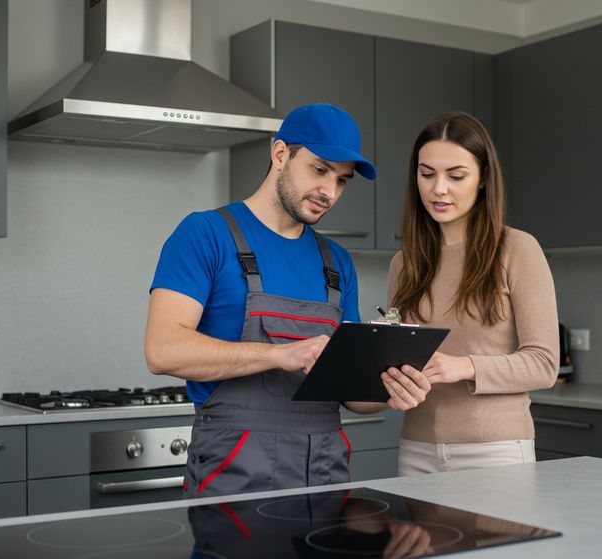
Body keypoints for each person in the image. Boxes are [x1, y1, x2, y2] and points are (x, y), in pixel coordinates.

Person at [144, 103, 432, 498]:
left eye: (342, 181)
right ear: (280, 154)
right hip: (235, 470)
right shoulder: (205, 234)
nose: (329, 192)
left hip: (325, 470)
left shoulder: (336, 262)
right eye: (319, 169)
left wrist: (390, 390)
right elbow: (162, 351)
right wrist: (280, 355)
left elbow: (350, 395)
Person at [386, 111, 560, 475]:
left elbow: (544, 364)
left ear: (483, 179)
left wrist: (463, 366)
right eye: (427, 173)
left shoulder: (517, 249)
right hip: (417, 449)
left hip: (494, 451)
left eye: (456, 175)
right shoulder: (404, 263)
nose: (439, 189)